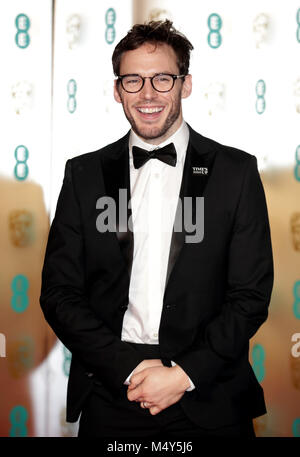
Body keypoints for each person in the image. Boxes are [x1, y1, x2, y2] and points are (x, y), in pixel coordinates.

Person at [40, 20, 274, 438]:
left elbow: (250, 295)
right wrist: (125, 366)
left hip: (210, 395)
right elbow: (59, 293)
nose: (148, 94)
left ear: (185, 84)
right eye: (133, 80)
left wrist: (183, 374)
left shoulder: (235, 173)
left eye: (162, 78)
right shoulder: (84, 174)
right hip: (112, 393)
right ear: (117, 90)